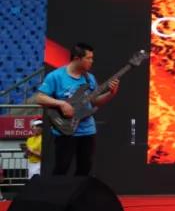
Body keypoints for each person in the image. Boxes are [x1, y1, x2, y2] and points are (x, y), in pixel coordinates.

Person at [30, 42, 119, 176]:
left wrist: (111, 93)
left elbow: (95, 102)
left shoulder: (90, 78)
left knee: (85, 169)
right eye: (88, 58)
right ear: (77, 58)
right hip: (65, 131)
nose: (92, 61)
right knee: (62, 168)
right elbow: (39, 98)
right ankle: (58, 190)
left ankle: (78, 190)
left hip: (88, 131)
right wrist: (61, 104)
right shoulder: (56, 76)